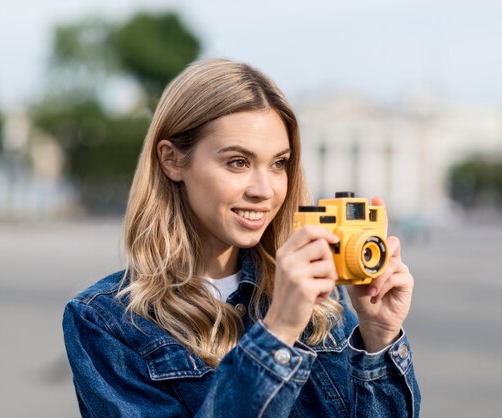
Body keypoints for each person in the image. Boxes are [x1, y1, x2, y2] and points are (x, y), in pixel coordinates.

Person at [63, 58, 421, 417]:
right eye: (238, 162)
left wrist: (378, 338)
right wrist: (278, 330)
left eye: (279, 164)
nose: (265, 190)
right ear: (172, 161)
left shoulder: (324, 299)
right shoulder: (105, 321)